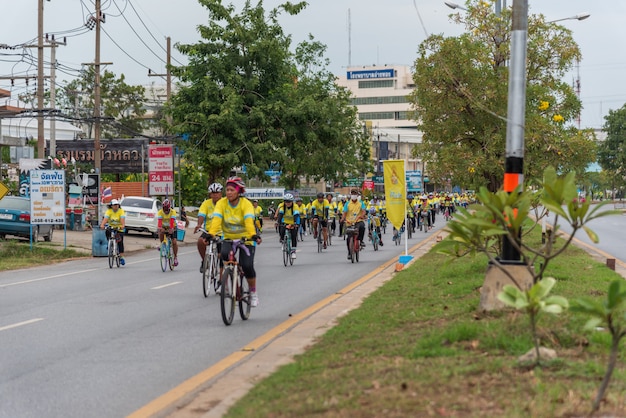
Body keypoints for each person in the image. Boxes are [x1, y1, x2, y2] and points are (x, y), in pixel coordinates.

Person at [207, 177, 262, 307]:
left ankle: (253, 293)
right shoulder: (221, 203)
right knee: (224, 255)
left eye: (232, 190)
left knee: (247, 266)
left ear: (238, 191)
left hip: (246, 238)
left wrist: (253, 235)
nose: (229, 193)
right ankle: (226, 280)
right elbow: (216, 220)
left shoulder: (246, 204)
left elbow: (249, 222)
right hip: (229, 237)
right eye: (227, 190)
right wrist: (211, 233)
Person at [195, 182, 223, 273]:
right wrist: (199, 224)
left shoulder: (225, 203)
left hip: (222, 232)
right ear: (210, 194)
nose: (215, 196)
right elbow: (202, 215)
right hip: (208, 231)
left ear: (221, 194)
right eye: (213, 193)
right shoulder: (206, 204)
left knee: (221, 255)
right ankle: (204, 261)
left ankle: (222, 274)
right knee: (200, 242)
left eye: (217, 193)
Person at [340, 189, 367, 259]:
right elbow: (344, 213)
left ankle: (361, 241)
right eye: (352, 194)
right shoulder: (347, 204)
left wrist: (362, 215)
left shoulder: (361, 203)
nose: (353, 195)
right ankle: (349, 252)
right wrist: (342, 219)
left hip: (358, 220)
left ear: (357, 195)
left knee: (362, 227)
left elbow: (364, 211)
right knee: (348, 238)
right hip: (349, 222)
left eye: (355, 194)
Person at [99, 198, 127, 265]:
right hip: (111, 226)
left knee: (120, 242)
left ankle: (122, 257)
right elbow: (105, 219)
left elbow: (122, 219)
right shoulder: (109, 211)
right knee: (107, 232)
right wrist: (102, 225)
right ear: (111, 206)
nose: (116, 206)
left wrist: (122, 225)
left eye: (117, 205)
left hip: (119, 228)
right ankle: (110, 243)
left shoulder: (121, 211)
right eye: (114, 205)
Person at [276, 193, 300, 258]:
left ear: (292, 201)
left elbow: (296, 216)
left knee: (293, 235)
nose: (288, 203)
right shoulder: (282, 206)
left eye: (289, 201)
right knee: (281, 230)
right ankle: (283, 242)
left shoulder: (295, 206)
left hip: (294, 221)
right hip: (285, 221)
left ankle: (293, 251)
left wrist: (295, 224)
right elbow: (280, 215)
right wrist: (278, 222)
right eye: (286, 201)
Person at [157, 199, 179, 266]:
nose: (165, 211)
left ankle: (175, 257)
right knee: (161, 232)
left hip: (172, 227)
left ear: (169, 208)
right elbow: (160, 222)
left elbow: (172, 221)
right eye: (164, 209)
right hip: (164, 227)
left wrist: (171, 229)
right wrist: (160, 228)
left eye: (167, 210)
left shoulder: (173, 212)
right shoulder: (160, 212)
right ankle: (162, 245)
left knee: (174, 242)